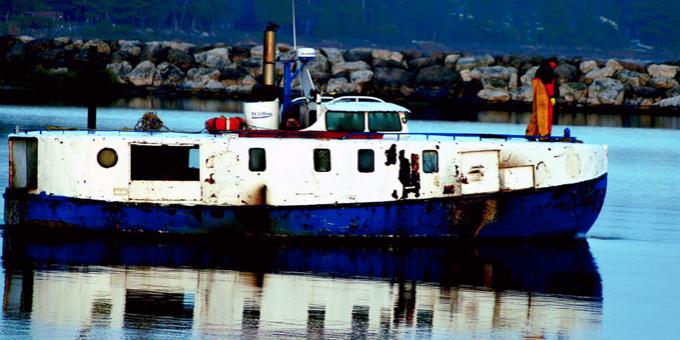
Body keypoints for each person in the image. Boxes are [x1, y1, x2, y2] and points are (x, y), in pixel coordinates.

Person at [526, 57, 558, 139]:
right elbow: (549, 84)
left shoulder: (540, 69)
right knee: (544, 114)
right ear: (553, 63)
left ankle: (530, 133)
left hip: (537, 94)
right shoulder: (548, 70)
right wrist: (552, 96)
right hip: (544, 95)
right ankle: (544, 135)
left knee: (535, 113)